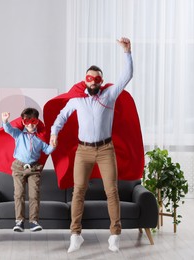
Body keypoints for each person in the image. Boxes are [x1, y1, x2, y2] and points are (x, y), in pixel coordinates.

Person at [50, 37, 133, 253]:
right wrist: (53, 133)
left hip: (106, 150)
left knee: (112, 192)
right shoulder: (77, 99)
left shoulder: (110, 95)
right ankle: (75, 235)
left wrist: (127, 52)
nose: (93, 82)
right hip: (83, 151)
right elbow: (61, 117)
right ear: (85, 80)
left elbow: (127, 76)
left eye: (97, 79)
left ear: (101, 81)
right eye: (90, 78)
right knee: (78, 191)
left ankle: (114, 235)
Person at [2, 108, 55, 232]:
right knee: (19, 194)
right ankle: (19, 221)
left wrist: (53, 145)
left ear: (37, 121)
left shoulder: (40, 138)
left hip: (34, 168)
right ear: (23, 122)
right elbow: (8, 129)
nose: (30, 124)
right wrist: (5, 121)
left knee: (34, 195)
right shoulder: (19, 134)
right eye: (27, 122)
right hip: (19, 167)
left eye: (33, 121)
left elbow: (47, 150)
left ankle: (33, 221)